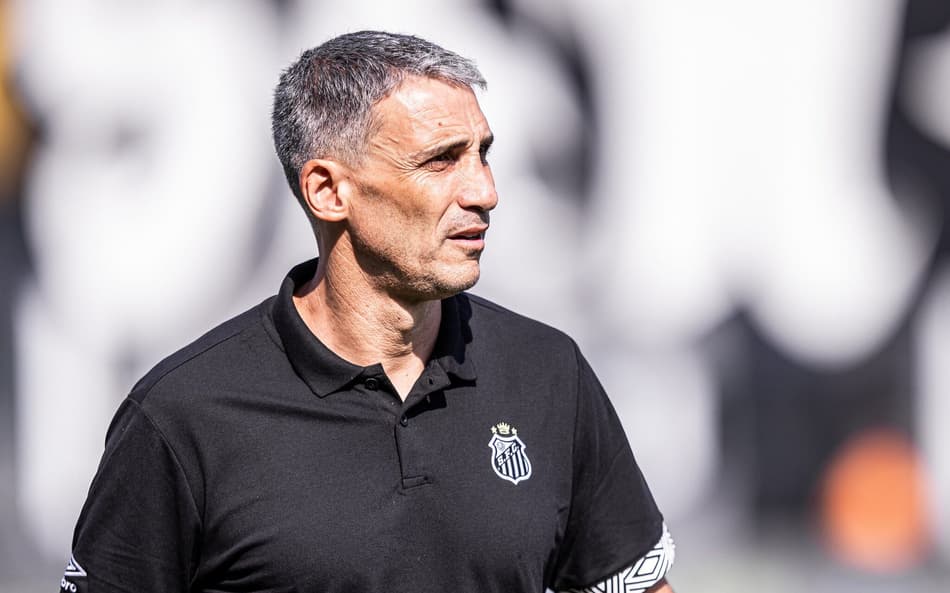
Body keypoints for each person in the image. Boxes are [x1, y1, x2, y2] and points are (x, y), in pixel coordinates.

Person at [59, 31, 675, 593]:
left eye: (482, 153)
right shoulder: (182, 414)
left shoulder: (548, 372)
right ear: (328, 191)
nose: (485, 191)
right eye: (441, 160)